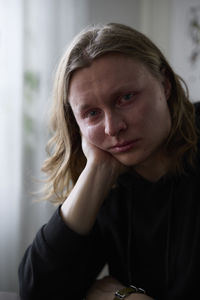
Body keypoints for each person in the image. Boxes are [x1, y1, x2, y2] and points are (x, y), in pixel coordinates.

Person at [18, 23, 200, 300]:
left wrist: (123, 296)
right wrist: (96, 170)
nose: (112, 128)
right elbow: (38, 292)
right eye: (91, 113)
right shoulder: (107, 177)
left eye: (126, 98)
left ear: (164, 85)